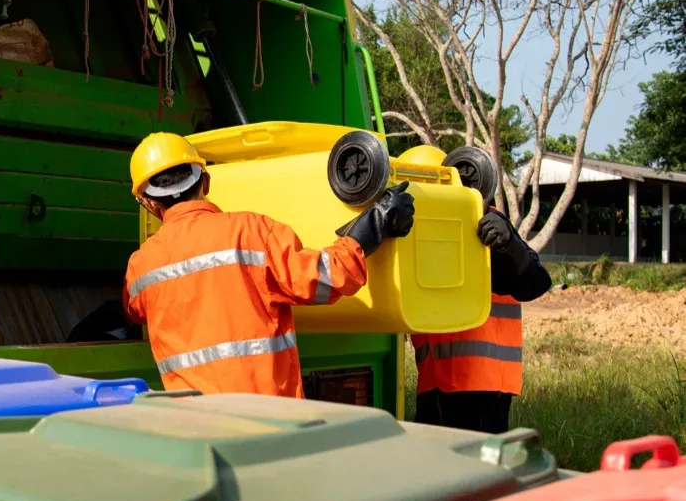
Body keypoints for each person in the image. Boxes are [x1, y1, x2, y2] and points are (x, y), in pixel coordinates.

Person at [123, 133, 416, 396]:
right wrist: (375, 223)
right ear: (206, 181)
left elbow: (133, 310)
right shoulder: (252, 232)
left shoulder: (140, 268)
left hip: (200, 430)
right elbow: (326, 278)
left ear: (148, 203)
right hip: (269, 421)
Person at [410, 152, 553, 434]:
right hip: (434, 384)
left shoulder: (487, 223)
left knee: (481, 470)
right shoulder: (417, 231)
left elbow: (536, 282)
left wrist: (508, 244)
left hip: (483, 387)